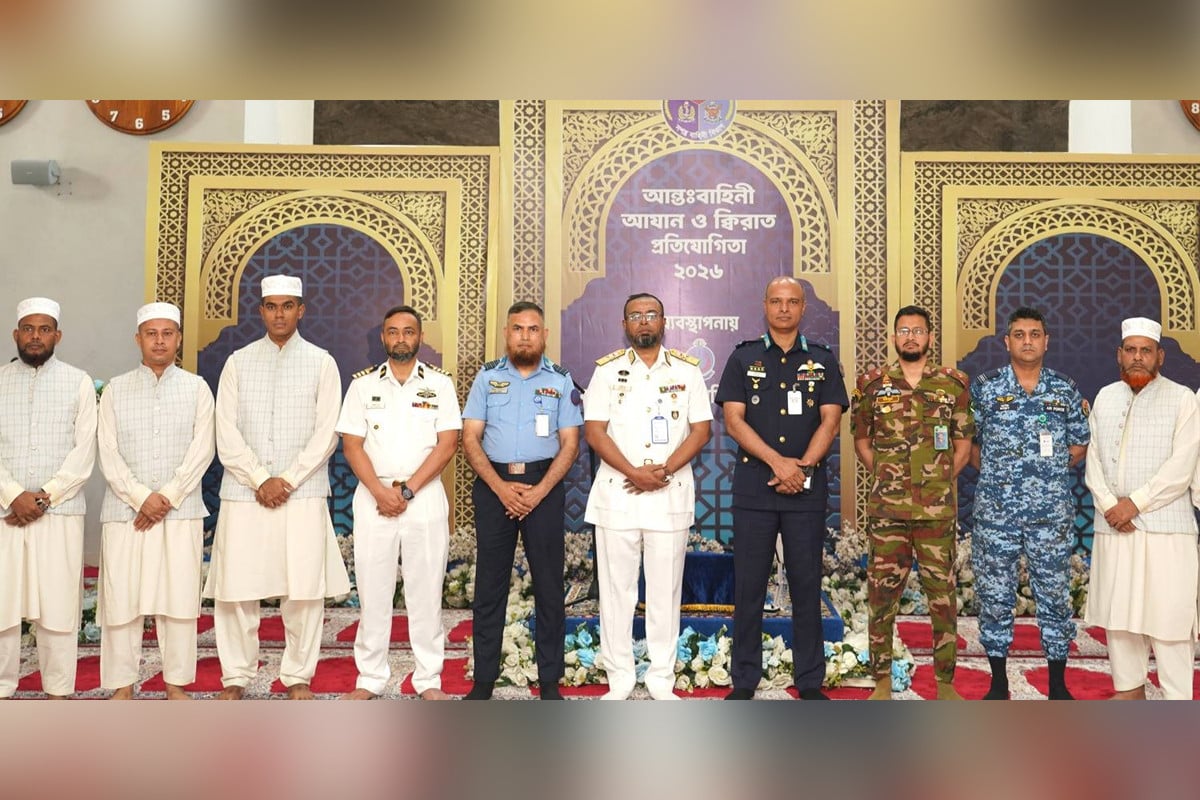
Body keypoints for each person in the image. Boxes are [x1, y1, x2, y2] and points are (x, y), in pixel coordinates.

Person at [203, 275, 350, 700]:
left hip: (301, 492)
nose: (279, 314)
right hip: (244, 492)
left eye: (288, 306)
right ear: (261, 310)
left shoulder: (322, 362)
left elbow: (328, 432)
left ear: (301, 310)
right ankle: (235, 676)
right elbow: (225, 430)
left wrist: (287, 479)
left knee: (303, 589)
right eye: (272, 306)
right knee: (236, 589)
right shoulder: (238, 362)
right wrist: (260, 478)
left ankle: (298, 675)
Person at [715, 277, 848, 701]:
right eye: (776, 301)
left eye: (792, 302)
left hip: (806, 491)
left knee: (806, 586)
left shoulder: (823, 360)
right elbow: (733, 420)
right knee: (749, 586)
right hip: (755, 489)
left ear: (804, 307)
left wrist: (801, 469)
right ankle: (745, 679)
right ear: (765, 305)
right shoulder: (744, 357)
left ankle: (809, 680)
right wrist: (779, 463)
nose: (784, 308)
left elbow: (831, 421)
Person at [583, 293, 712, 701]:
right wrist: (634, 472)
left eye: (651, 314)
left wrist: (665, 470)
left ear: (663, 321)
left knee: (664, 593)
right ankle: (619, 677)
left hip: (668, 494)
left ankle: (660, 678)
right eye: (635, 316)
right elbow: (595, 432)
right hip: (618, 495)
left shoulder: (688, 371)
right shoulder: (606, 371)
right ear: (624, 324)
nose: (644, 321)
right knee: (616, 593)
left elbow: (701, 431)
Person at [337, 305, 460, 701]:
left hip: (423, 497)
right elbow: (352, 445)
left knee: (426, 592)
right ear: (383, 338)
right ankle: (370, 678)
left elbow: (448, 444)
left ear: (420, 337)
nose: (401, 338)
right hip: (374, 498)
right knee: (373, 592)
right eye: (393, 331)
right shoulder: (362, 386)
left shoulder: (440, 384)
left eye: (409, 331)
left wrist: (407, 491)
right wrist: (380, 491)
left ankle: (429, 680)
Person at [852, 305, 974, 700]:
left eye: (918, 331)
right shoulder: (872, 385)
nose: (910, 337)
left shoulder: (952, 384)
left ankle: (945, 684)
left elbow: (962, 444)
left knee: (943, 598)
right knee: (881, 597)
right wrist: (888, 475)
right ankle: (882, 681)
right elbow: (862, 441)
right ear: (893, 338)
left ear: (930, 338)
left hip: (936, 514)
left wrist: (939, 480)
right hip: (888, 512)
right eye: (903, 331)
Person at [461, 301, 582, 700]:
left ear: (544, 335)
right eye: (518, 328)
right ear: (506, 334)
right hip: (494, 486)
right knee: (489, 586)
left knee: (548, 586)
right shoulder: (487, 377)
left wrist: (539, 491)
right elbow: (470, 438)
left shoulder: (561, 380)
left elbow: (570, 443)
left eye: (533, 329)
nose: (525, 336)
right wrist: (500, 488)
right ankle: (484, 680)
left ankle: (549, 681)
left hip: (543, 486)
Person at [97, 302, 216, 700]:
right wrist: (140, 497)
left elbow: (203, 449)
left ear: (178, 338)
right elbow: (107, 452)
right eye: (152, 334)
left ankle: (175, 684)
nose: (160, 341)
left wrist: (166, 497)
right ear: (138, 339)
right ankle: (122, 686)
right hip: (125, 513)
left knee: (178, 601)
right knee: (121, 601)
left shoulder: (197, 389)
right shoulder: (115, 389)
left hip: (179, 512)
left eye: (167, 333)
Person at [970, 307, 1089, 700]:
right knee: (994, 596)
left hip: (1050, 514)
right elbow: (968, 444)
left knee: (1054, 596)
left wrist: (1046, 471)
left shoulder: (1064, 389)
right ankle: (998, 682)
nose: (1027, 341)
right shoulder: (986, 389)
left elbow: (1080, 442)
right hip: (996, 514)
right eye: (1019, 334)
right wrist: (998, 472)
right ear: (1007, 342)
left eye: (1034, 334)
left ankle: (1057, 684)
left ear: (1046, 341)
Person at [1084, 316, 1199, 700]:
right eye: (1131, 350)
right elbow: (1093, 460)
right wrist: (1109, 505)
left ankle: (1178, 709)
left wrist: (1134, 504)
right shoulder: (1105, 397)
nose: (1137, 357)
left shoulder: (1182, 399)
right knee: (1120, 621)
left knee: (1170, 624)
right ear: (1119, 354)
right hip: (1115, 528)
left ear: (1159, 356)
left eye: (1145, 351)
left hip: (1167, 532)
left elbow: (1182, 466)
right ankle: (1129, 696)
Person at [0, 297, 97, 700]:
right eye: (28, 329)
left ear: (58, 335)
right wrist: (12, 494)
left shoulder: (78, 382)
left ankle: (58, 692)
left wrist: (43, 497)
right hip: (5, 513)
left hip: (60, 512)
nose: (35, 337)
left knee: (58, 604)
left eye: (44, 330)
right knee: (1, 605)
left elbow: (85, 449)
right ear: (16, 334)